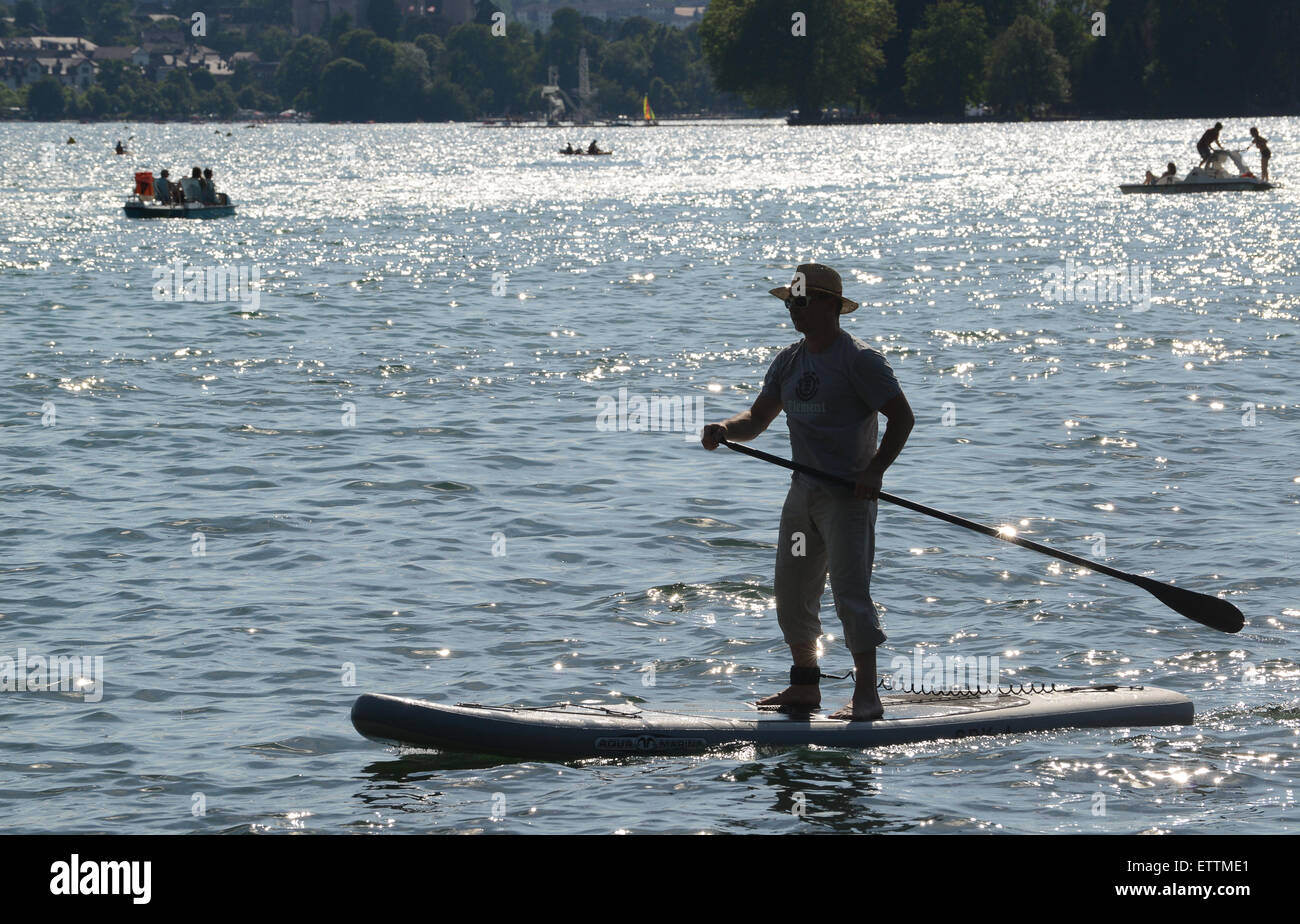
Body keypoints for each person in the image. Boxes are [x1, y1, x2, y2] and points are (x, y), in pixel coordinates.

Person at [701, 263, 914, 721]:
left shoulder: (860, 361)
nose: (794, 309)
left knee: (850, 595)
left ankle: (866, 696)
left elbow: (902, 419)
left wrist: (875, 471)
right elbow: (756, 421)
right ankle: (805, 688)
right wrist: (724, 428)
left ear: (832, 307)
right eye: (790, 302)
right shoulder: (788, 360)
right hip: (803, 496)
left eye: (802, 301)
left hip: (848, 499)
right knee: (793, 592)